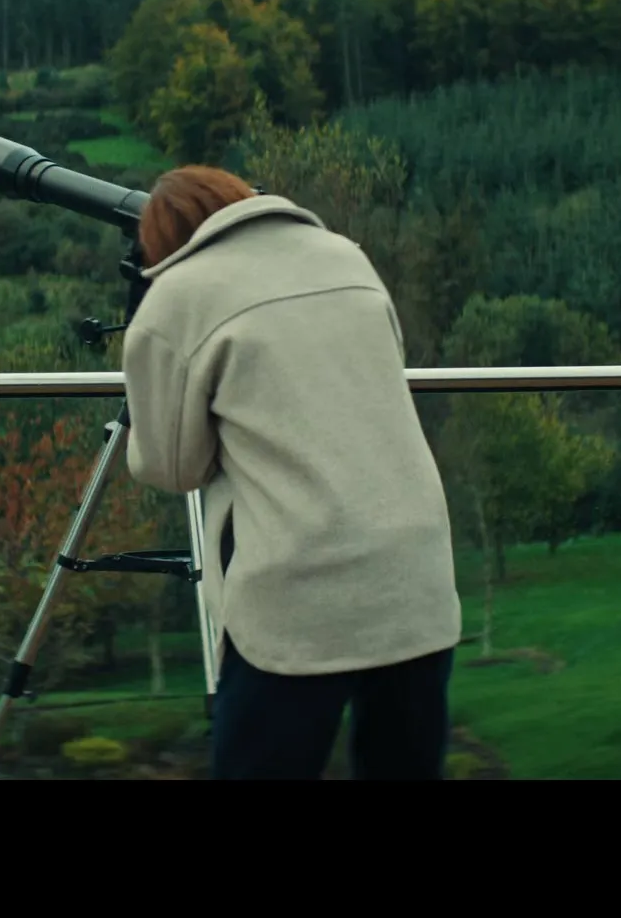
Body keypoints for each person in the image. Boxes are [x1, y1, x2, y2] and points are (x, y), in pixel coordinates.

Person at [120, 164, 461, 780]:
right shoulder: (346, 257)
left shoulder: (177, 298)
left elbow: (173, 467)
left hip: (298, 593)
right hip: (415, 572)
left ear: (159, 241)